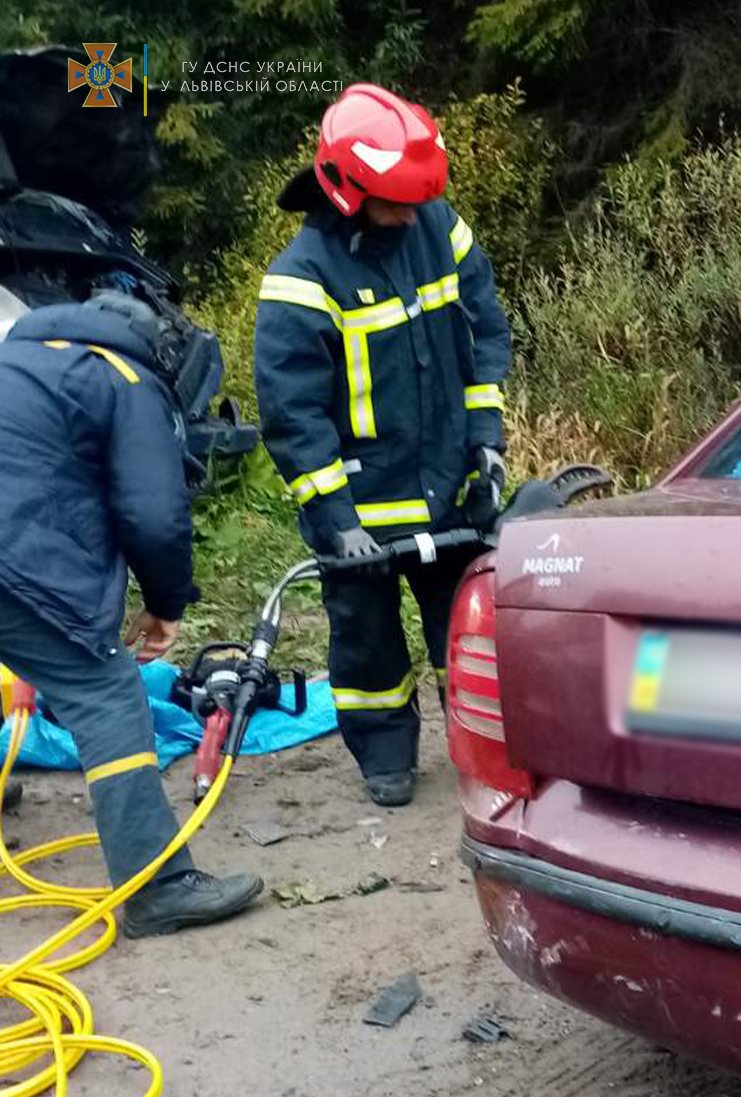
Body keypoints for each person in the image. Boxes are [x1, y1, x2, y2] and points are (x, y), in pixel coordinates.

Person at [254, 83, 512, 808]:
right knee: (365, 639)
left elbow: (484, 336)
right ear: (344, 189)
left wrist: (486, 443)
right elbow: (293, 413)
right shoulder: (299, 281)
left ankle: (479, 744)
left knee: (464, 630)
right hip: (361, 499)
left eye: (417, 200)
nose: (408, 215)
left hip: (451, 485)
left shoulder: (439, 228)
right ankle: (385, 755)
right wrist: (336, 517)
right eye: (395, 201)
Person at [0, 293, 263, 937]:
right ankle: (158, 885)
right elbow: (154, 511)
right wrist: (167, 603)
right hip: (15, 555)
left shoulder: (20, 363)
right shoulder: (122, 376)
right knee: (105, 693)